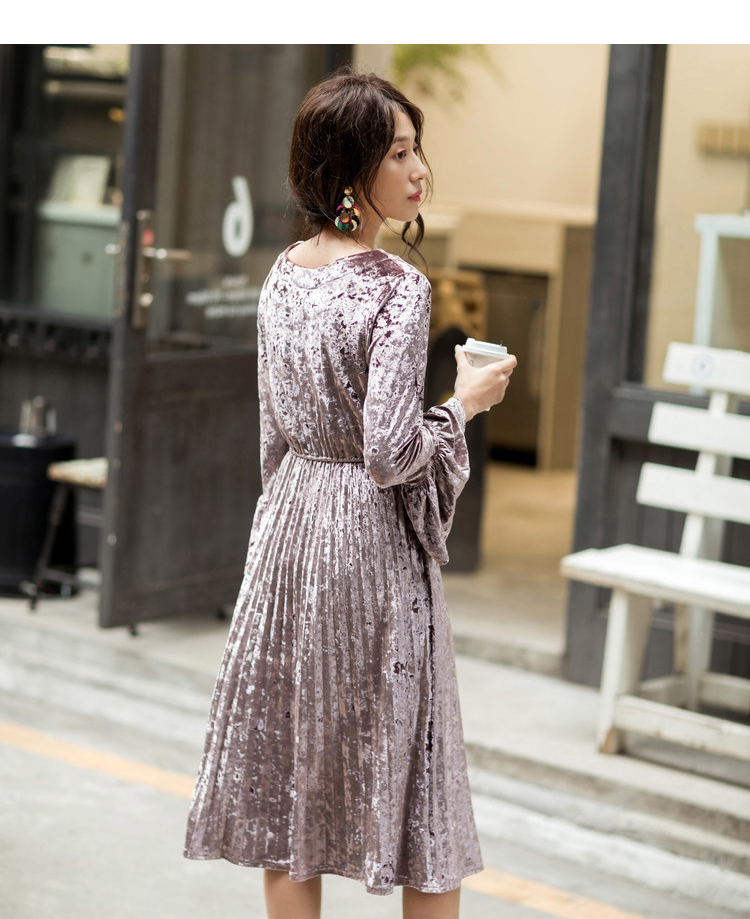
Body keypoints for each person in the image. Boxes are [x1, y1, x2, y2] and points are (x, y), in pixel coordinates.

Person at [183, 67, 516, 919]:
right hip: (371, 541)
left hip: (290, 531)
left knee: (290, 773)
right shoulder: (398, 288)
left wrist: (286, 527)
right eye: (397, 153)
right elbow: (393, 452)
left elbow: (272, 435)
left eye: (417, 149)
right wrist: (464, 404)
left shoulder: (283, 273)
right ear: (348, 167)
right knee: (419, 779)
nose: (418, 170)